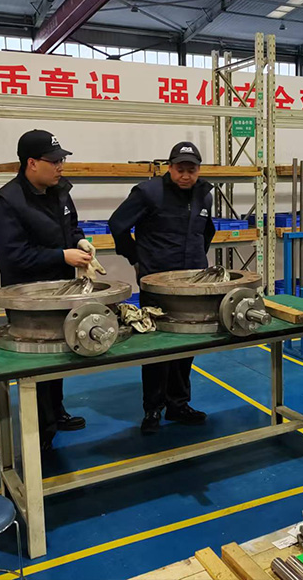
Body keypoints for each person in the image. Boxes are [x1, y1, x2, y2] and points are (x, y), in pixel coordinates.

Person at [0, 129, 90, 450]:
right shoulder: (6, 202)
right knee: (37, 365)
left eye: (62, 160)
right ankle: (40, 436)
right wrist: (62, 255)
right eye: (54, 161)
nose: (61, 166)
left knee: (59, 356)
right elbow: (14, 256)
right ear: (31, 163)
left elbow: (71, 226)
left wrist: (80, 242)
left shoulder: (59, 191)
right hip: (28, 299)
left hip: (61, 291)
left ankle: (56, 412)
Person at [109, 141, 215, 435]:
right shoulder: (148, 192)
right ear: (170, 167)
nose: (186, 175)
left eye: (191, 169)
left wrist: (198, 260)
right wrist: (135, 258)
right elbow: (117, 224)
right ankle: (152, 408)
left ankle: (178, 404)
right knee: (156, 346)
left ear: (198, 170)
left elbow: (207, 231)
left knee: (187, 343)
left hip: (192, 286)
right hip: (157, 283)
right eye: (180, 169)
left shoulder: (204, 195)